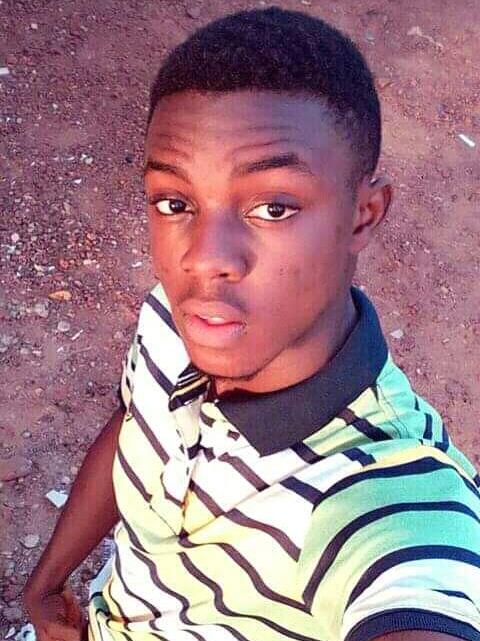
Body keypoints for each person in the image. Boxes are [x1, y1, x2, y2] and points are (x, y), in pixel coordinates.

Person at [23, 7, 480, 641]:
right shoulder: (177, 318)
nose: (203, 259)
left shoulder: (389, 496)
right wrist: (46, 583)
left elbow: (420, 589)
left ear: (364, 214)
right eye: (175, 202)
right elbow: (137, 422)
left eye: (273, 207)